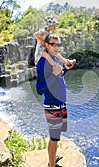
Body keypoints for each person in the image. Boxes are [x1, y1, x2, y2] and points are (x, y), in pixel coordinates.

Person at [36, 34, 73, 167]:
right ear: (46, 45)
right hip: (53, 106)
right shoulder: (42, 63)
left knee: (56, 136)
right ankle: (52, 165)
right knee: (53, 138)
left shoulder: (53, 59)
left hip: (60, 104)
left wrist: (65, 69)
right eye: (53, 44)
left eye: (58, 44)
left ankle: (53, 157)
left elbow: (59, 74)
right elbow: (40, 89)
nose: (57, 47)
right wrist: (54, 75)